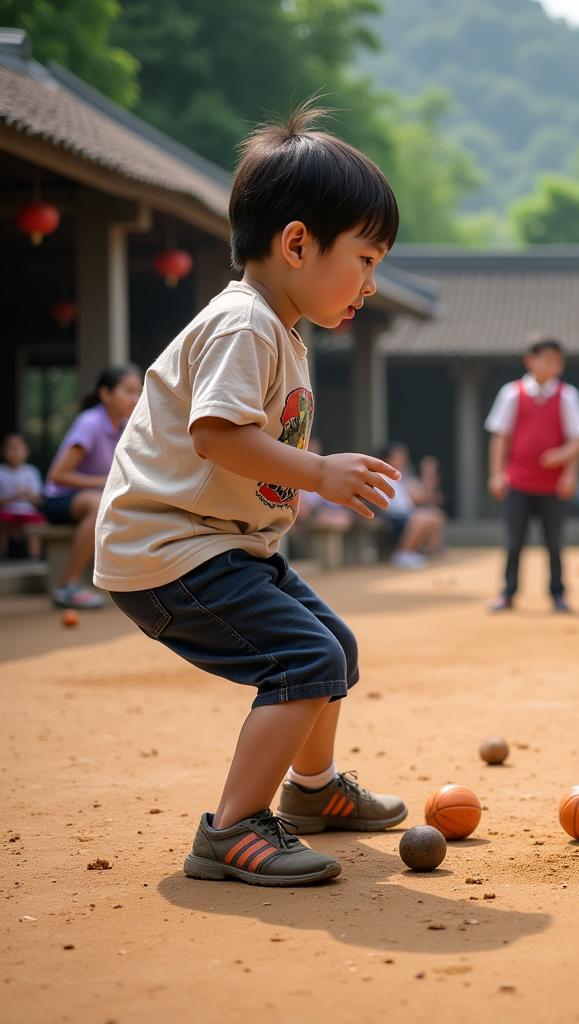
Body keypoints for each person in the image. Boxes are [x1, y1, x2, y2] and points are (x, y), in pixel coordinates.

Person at [93, 103, 408, 887]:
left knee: (333, 646)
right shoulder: (245, 324)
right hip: (171, 551)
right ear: (297, 242)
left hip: (224, 545)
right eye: (365, 260)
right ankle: (231, 829)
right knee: (304, 659)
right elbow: (217, 437)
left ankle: (313, 791)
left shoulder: (282, 329)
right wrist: (323, 472)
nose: (372, 284)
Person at [485, 335, 579, 613]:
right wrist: (497, 474)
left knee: (554, 542)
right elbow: (500, 437)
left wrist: (567, 466)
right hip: (518, 481)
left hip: (553, 485)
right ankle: (508, 593)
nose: (552, 366)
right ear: (530, 360)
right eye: (547, 360)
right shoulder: (512, 393)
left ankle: (557, 594)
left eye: (557, 361)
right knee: (513, 541)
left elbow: (578, 439)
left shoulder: (568, 395)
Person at [42, 365, 142, 608]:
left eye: (138, 391)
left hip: (94, 496)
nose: (135, 398)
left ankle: (137, 584)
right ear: (105, 394)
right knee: (98, 504)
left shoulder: (127, 426)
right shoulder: (90, 423)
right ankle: (68, 586)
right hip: (59, 500)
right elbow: (58, 476)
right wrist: (104, 482)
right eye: (128, 391)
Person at [380, 442, 446, 568]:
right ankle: (402, 554)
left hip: (406, 514)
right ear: (387, 459)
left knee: (435, 515)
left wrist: (429, 475)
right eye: (399, 456)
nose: (403, 460)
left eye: (404, 457)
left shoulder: (403, 475)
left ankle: (430, 551)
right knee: (421, 517)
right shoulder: (380, 475)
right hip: (390, 516)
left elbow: (422, 497)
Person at [0, 433, 45, 560]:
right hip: (6, 512)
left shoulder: (32, 472)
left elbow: (38, 500)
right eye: (11, 448)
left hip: (27, 512)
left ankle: (35, 557)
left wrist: (26, 494)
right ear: (3, 451)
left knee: (37, 525)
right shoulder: (1, 472)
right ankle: (2, 555)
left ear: (26, 451)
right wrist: (14, 497)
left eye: (19, 448)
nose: (15, 452)